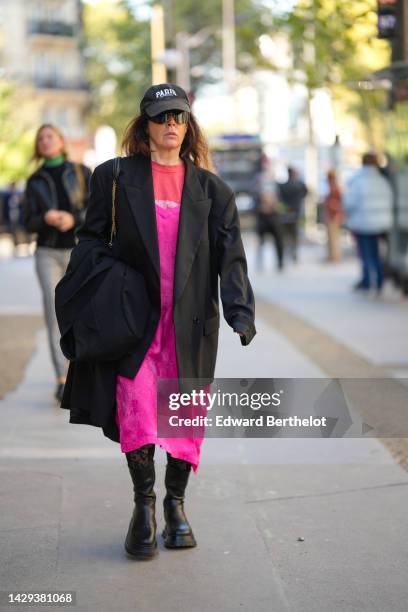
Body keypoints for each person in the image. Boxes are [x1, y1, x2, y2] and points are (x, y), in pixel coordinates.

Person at [58, 83, 256, 560]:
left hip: (190, 326)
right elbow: (89, 243)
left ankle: (176, 506)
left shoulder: (212, 189)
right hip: (135, 323)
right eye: (162, 115)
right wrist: (109, 290)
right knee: (140, 413)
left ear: (189, 128)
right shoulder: (113, 177)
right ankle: (143, 508)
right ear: (144, 124)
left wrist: (240, 312)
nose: (171, 124)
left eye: (180, 117)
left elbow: (232, 258)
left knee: (183, 418)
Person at [22, 124, 91, 402]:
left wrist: (75, 219)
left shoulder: (81, 172)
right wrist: (46, 218)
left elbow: (97, 210)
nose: (46, 140)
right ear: (38, 147)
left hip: (79, 251)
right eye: (41, 138)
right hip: (47, 252)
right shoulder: (34, 180)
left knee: (82, 312)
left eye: (50, 136)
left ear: (61, 141)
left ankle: (81, 372)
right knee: (54, 315)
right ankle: (62, 378)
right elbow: (26, 222)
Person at [343, 152, 393, 292]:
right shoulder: (382, 180)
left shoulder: (357, 181)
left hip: (363, 222)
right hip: (382, 223)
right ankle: (379, 281)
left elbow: (349, 203)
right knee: (377, 253)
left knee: (365, 254)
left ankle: (366, 281)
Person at [255, 161, 284, 271]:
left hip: (274, 216)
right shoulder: (258, 184)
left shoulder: (277, 185)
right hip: (263, 216)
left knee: (279, 241)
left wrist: (274, 204)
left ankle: (280, 263)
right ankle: (260, 264)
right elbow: (256, 199)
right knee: (260, 242)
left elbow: (280, 199)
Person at [277, 166, 308, 262]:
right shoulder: (299, 184)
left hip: (286, 212)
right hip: (296, 212)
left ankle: (288, 250)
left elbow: (280, 198)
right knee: (295, 233)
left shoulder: (283, 186)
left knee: (286, 233)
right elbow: (305, 193)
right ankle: (294, 252)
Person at [323, 169, 343, 262]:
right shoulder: (332, 186)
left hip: (334, 215)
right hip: (331, 214)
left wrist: (331, 204)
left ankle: (335, 257)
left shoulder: (335, 187)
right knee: (331, 237)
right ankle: (332, 256)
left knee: (333, 237)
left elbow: (340, 202)